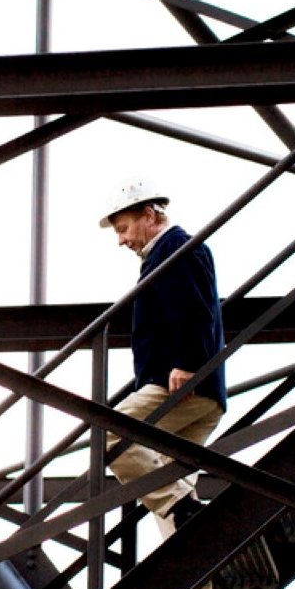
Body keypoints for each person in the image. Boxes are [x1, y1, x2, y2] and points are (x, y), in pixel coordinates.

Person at [99, 179, 226, 540]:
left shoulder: (173, 248)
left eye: (123, 228)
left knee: (110, 434)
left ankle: (183, 507)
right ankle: (200, 584)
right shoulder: (170, 250)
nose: (121, 240)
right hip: (202, 391)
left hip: (183, 384)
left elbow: (193, 309)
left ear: (149, 215)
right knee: (170, 489)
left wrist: (186, 363)